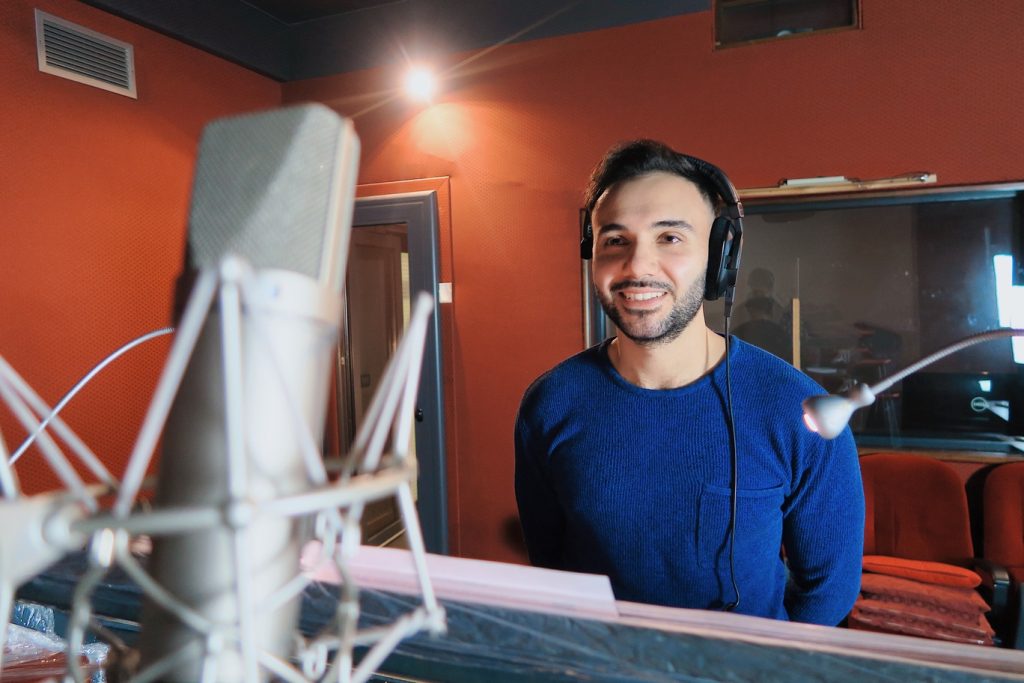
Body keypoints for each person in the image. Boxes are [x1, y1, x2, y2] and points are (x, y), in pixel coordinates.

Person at [514, 140, 864, 626]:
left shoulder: (797, 410)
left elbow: (829, 591)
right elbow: (551, 567)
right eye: (615, 240)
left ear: (720, 258)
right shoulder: (550, 405)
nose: (637, 266)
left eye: (670, 238)